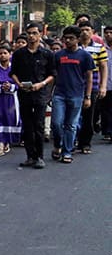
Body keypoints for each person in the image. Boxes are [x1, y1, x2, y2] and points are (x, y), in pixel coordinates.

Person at [10, 23, 56, 169]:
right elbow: (13, 73)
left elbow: (52, 74)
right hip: (24, 93)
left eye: (34, 33)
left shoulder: (47, 54)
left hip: (40, 94)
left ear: (40, 34)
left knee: (39, 126)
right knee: (27, 126)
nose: (31, 36)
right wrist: (19, 84)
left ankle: (40, 157)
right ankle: (30, 156)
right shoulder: (19, 54)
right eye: (29, 33)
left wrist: (41, 84)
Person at [49, 25, 94, 164]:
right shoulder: (58, 55)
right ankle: (57, 144)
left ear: (78, 39)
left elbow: (89, 77)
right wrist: (49, 94)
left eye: (71, 38)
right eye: (66, 38)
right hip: (59, 94)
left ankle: (67, 152)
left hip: (77, 95)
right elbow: (53, 76)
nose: (68, 41)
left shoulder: (85, 56)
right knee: (56, 123)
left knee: (71, 125)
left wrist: (88, 97)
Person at [74, 21, 107, 153]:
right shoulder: (74, 47)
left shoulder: (99, 48)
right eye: (82, 29)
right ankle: (73, 140)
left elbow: (104, 68)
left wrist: (103, 86)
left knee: (89, 116)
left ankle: (85, 143)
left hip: (92, 86)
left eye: (87, 29)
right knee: (74, 116)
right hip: (75, 86)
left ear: (92, 31)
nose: (84, 32)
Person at [101, 25, 112, 141]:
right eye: (107, 32)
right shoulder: (102, 49)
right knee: (105, 109)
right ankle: (107, 131)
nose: (108, 35)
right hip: (105, 84)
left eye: (111, 32)